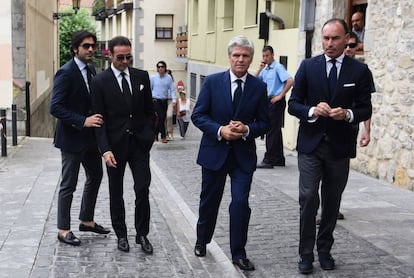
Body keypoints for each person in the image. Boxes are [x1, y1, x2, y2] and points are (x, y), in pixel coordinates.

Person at [288, 19, 372, 274]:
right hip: (311, 145)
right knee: (309, 196)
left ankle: (324, 249)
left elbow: (365, 108)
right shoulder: (308, 66)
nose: (329, 44)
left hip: (339, 147)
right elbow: (293, 104)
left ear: (346, 38)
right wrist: (312, 110)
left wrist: (346, 114)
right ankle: (305, 253)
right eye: (325, 38)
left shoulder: (358, 71)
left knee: (332, 202)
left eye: (335, 38)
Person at [191, 35, 269, 271]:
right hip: (214, 153)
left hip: (242, 157)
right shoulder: (213, 82)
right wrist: (219, 130)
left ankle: (239, 252)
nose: (240, 60)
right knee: (209, 202)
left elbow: (265, 123)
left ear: (251, 58)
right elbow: (198, 116)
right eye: (236, 55)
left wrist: (246, 129)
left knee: (240, 203)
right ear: (229, 57)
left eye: (245, 56)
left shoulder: (259, 87)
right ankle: (201, 239)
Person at [91, 36, 157, 254]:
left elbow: (150, 111)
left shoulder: (141, 76)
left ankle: (142, 234)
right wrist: (105, 149)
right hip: (115, 148)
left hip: (139, 145)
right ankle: (121, 235)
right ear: (110, 55)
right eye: (121, 57)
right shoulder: (100, 81)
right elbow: (98, 120)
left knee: (142, 189)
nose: (126, 61)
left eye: (129, 56)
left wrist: (149, 135)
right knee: (116, 192)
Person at [50, 30, 110, 246]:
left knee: (95, 176)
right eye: (86, 46)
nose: (91, 49)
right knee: (69, 184)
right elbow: (55, 107)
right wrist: (82, 120)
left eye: (93, 45)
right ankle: (63, 229)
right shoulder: (65, 73)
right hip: (72, 138)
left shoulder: (92, 69)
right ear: (75, 48)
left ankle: (86, 220)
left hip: (90, 139)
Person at [255, 45, 293, 168]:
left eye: (267, 55)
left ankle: (269, 159)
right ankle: (278, 158)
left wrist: (280, 95)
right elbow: (253, 81)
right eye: (263, 56)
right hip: (267, 101)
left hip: (275, 101)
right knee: (275, 130)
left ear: (272, 55)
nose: (265, 58)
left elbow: (290, 80)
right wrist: (259, 69)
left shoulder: (278, 67)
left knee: (271, 130)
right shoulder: (265, 70)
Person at [345, 31, 375, 147]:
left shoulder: (362, 71)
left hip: (350, 124)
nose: (348, 49)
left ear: (357, 47)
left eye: (352, 45)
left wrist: (367, 130)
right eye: (345, 45)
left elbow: (366, 103)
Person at [150, 61, 176, 143]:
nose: (160, 68)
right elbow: (150, 89)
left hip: (164, 100)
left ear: (165, 68)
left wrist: (174, 99)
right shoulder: (153, 78)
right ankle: (163, 136)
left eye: (162, 67)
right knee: (160, 117)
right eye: (159, 67)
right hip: (155, 100)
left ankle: (155, 134)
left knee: (162, 118)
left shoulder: (168, 78)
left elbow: (172, 89)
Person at [166, 69, 176, 141]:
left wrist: (175, 100)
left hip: (170, 100)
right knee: (162, 117)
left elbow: (173, 92)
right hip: (162, 100)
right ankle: (164, 133)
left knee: (169, 116)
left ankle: (170, 132)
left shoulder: (172, 83)